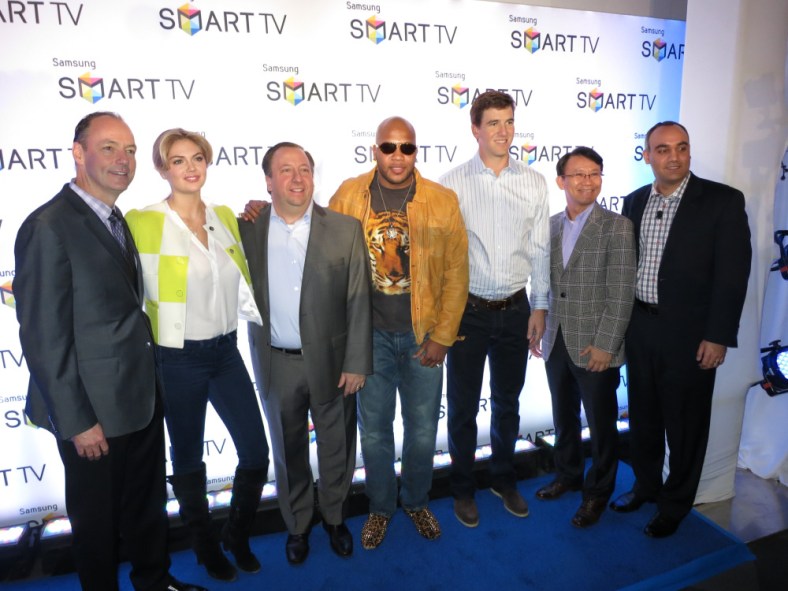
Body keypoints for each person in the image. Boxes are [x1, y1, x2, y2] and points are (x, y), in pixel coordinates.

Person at [14, 112, 205, 591]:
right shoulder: (48, 226)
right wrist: (77, 421)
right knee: (96, 523)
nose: (123, 160)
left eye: (131, 150)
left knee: (146, 507)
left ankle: (154, 581)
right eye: (109, 148)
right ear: (78, 153)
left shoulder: (115, 217)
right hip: (92, 412)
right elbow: (43, 337)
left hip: (138, 398)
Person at [125, 129, 270, 581]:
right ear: (162, 169)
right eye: (178, 160)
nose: (190, 168)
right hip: (177, 358)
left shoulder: (224, 216)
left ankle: (236, 535)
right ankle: (205, 547)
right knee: (187, 458)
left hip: (226, 352)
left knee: (256, 451)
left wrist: (261, 211)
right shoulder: (141, 221)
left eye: (197, 158)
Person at [328, 116, 469, 549]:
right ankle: (380, 507)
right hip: (368, 335)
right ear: (375, 150)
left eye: (406, 147)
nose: (397, 155)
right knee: (374, 430)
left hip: (422, 334)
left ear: (415, 152)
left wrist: (443, 335)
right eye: (388, 147)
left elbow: (456, 273)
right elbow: (323, 251)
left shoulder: (441, 200)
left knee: (423, 429)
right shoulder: (348, 195)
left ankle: (416, 501)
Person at [609, 121, 751, 538]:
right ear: (647, 155)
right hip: (640, 326)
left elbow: (732, 276)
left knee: (686, 424)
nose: (674, 157)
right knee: (644, 417)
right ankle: (645, 487)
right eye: (663, 149)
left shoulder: (722, 201)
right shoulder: (634, 201)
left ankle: (675, 504)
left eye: (682, 147)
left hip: (692, 335)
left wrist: (718, 335)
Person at [239, 142, 372, 564]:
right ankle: (297, 525)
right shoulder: (247, 229)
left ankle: (335, 517)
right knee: (287, 450)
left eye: (304, 169)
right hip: (276, 362)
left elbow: (359, 300)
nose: (297, 178)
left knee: (337, 448)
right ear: (268, 180)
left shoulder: (345, 229)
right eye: (285, 170)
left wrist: (356, 362)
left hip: (334, 363)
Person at [438, 90, 550, 527]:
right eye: (493, 123)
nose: (503, 131)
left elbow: (540, 250)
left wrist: (540, 307)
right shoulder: (451, 184)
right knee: (462, 407)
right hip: (468, 311)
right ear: (475, 130)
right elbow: (442, 255)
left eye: (509, 122)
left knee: (507, 402)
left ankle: (504, 479)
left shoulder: (534, 182)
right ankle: (463, 489)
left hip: (518, 308)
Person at [530, 147, 636, 527]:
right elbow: (543, 280)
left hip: (596, 345)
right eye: (578, 174)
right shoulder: (551, 225)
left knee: (602, 426)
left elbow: (621, 292)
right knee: (564, 417)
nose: (587, 181)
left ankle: (598, 493)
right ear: (562, 181)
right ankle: (568, 474)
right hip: (557, 338)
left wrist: (607, 345)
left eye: (594, 173)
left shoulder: (617, 226)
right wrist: (538, 319)